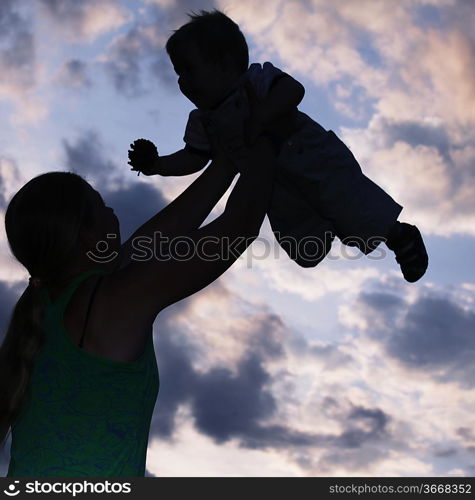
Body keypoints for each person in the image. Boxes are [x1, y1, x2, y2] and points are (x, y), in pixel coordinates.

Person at [1, 135, 275, 477]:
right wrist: (266, 137)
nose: (112, 212)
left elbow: (158, 236)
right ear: (85, 235)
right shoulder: (109, 302)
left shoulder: (49, 304)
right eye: (102, 207)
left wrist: (228, 161)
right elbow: (238, 225)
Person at [129, 9, 428, 283]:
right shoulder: (202, 121)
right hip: (273, 187)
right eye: (179, 74)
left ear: (225, 64)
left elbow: (293, 89)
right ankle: (333, 225)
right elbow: (193, 159)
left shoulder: (255, 81)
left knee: (352, 208)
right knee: (306, 250)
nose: (183, 82)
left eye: (189, 70)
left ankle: (399, 235)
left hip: (310, 157)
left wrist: (260, 117)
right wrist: (157, 165)